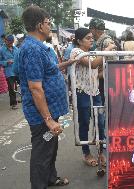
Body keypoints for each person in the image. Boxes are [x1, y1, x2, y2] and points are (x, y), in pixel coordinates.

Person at [18, 5, 69, 188]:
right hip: (41, 115)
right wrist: (48, 119)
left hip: (49, 110)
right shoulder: (32, 49)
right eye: (48, 23)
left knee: (50, 148)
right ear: (40, 26)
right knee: (42, 152)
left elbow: (50, 71)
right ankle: (39, 184)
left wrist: (69, 62)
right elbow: (35, 88)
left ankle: (50, 178)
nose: (50, 26)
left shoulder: (39, 47)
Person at [70, 28, 115, 167]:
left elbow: (97, 72)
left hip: (95, 93)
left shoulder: (93, 52)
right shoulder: (76, 52)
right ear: (79, 40)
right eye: (88, 38)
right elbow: (93, 64)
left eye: (91, 38)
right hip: (82, 93)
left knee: (100, 123)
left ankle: (101, 151)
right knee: (84, 123)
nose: (91, 40)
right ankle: (86, 153)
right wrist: (106, 50)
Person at [0, 34, 19, 109]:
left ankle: (25, 99)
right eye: (9, 42)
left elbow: (19, 58)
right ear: (6, 41)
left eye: (12, 42)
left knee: (23, 85)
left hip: (17, 70)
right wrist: (6, 62)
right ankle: (13, 104)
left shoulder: (16, 49)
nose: (10, 44)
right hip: (9, 72)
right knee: (11, 88)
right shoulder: (2, 50)